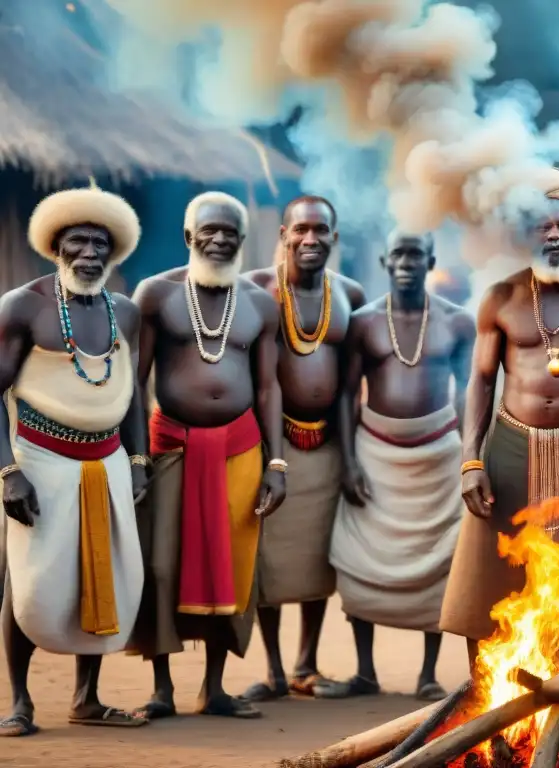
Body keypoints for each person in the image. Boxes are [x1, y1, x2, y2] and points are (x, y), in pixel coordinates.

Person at [441, 168, 559, 687]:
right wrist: (471, 461)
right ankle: (487, 695)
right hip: (508, 448)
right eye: (542, 226)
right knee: (490, 575)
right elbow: (480, 383)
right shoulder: (500, 297)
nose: (554, 235)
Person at [128, 191, 287, 720]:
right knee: (161, 564)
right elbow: (133, 380)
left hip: (241, 449)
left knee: (234, 567)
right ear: (188, 236)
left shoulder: (261, 303)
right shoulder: (155, 295)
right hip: (169, 446)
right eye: (209, 231)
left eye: (230, 233)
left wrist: (276, 463)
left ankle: (214, 687)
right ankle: (161, 687)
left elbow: (268, 389)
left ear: (243, 241)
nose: (219, 240)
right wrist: (135, 458)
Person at [0, 185, 149, 736]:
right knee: (30, 583)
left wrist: (137, 458)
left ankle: (87, 698)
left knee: (101, 573)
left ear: (113, 254)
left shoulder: (126, 314)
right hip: (38, 463)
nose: (89, 254)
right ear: (54, 247)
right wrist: (8, 472)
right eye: (77, 242)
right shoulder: (23, 307)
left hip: (107, 461)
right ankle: (19, 702)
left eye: (99, 245)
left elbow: (134, 393)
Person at [328, 229, 473, 700]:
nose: (406, 262)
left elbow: (472, 392)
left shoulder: (456, 322)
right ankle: (365, 671)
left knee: (437, 562)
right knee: (362, 561)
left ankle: (428, 674)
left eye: (416, 254)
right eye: (398, 254)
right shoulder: (364, 322)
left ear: (431, 261)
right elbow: (348, 394)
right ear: (384, 259)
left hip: (438, 455)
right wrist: (348, 462)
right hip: (375, 451)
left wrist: (471, 458)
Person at [238, 196, 366, 701]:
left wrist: (352, 460)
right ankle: (271, 670)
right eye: (301, 230)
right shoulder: (254, 291)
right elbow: (258, 378)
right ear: (285, 235)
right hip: (271, 446)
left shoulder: (350, 295)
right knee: (269, 559)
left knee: (317, 558)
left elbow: (352, 389)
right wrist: (270, 456)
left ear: (334, 237)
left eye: (321, 231)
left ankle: (305, 665)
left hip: (327, 445)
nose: (310, 239)